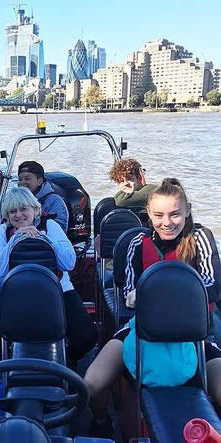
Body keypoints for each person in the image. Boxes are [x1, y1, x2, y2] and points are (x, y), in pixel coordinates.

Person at [84, 178, 221, 438]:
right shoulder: (137, 242)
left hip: (197, 337)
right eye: (159, 215)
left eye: (174, 214)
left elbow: (212, 287)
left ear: (187, 211)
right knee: (92, 383)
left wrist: (161, 296)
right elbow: (128, 293)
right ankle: (103, 422)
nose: (167, 222)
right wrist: (137, 296)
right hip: (141, 331)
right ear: (148, 213)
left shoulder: (201, 238)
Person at [0, 187, 97, 367]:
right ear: (7, 215)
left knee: (86, 336)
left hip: (57, 289)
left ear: (35, 209)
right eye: (13, 211)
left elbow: (69, 263)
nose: (19, 215)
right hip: (15, 292)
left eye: (23, 209)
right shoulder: (3, 232)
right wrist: (15, 240)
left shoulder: (50, 226)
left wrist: (44, 239)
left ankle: (68, 361)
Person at [18, 161, 69, 233]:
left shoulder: (55, 201)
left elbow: (59, 231)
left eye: (27, 179)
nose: (22, 182)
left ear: (39, 181)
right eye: (20, 179)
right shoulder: (15, 200)